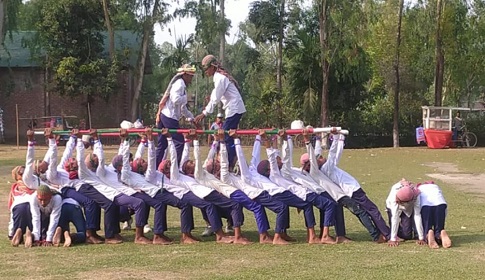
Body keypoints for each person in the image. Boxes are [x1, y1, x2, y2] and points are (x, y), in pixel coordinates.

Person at [299, 129, 385, 243]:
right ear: (310, 164)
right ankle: (376, 236)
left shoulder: (313, 171)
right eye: (317, 158)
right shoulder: (317, 171)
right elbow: (328, 154)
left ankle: (340, 236)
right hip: (339, 195)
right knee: (360, 212)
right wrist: (307, 140)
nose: (320, 157)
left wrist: (318, 138)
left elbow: (315, 153)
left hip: (335, 196)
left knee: (340, 215)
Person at [259, 130, 338, 244]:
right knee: (329, 205)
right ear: (270, 168)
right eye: (277, 160)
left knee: (308, 206)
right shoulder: (276, 173)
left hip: (304, 193)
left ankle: (312, 236)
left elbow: (275, 154)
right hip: (304, 193)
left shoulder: (281, 171)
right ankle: (324, 235)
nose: (278, 159)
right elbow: (273, 156)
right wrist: (266, 139)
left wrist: (276, 138)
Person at [160, 131, 234, 244]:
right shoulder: (175, 177)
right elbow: (174, 158)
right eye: (167, 166)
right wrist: (170, 139)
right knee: (209, 206)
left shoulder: (188, 173)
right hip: (186, 195)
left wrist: (187, 141)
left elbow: (189, 156)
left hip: (195, 193)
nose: (170, 164)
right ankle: (219, 235)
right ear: (166, 171)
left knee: (209, 205)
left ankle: (196, 233)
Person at [194, 55, 246, 169]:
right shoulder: (219, 77)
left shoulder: (220, 78)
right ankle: (231, 161)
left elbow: (215, 98)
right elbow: (216, 95)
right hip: (233, 109)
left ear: (212, 67)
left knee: (226, 136)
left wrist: (204, 113)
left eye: (206, 69)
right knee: (228, 135)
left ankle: (229, 164)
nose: (206, 72)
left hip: (234, 109)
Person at [156, 64, 197, 168]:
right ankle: (175, 169)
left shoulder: (181, 85)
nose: (191, 78)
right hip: (170, 117)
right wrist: (185, 98)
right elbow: (175, 99)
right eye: (190, 75)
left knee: (162, 144)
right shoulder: (180, 84)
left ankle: (156, 167)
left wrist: (192, 118)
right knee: (179, 143)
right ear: (185, 75)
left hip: (165, 115)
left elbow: (183, 109)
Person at [386, 179, 426, 247]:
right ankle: (392, 234)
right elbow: (395, 217)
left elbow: (417, 215)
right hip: (392, 208)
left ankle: (415, 232)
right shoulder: (393, 196)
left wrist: (421, 238)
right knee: (395, 223)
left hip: (408, 209)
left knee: (407, 235)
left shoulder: (416, 194)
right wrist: (393, 239)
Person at [417, 182, 452, 249]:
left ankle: (428, 234)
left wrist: (420, 237)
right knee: (439, 228)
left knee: (427, 228)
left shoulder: (419, 188)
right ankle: (440, 234)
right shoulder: (436, 186)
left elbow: (417, 210)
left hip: (426, 206)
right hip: (441, 204)